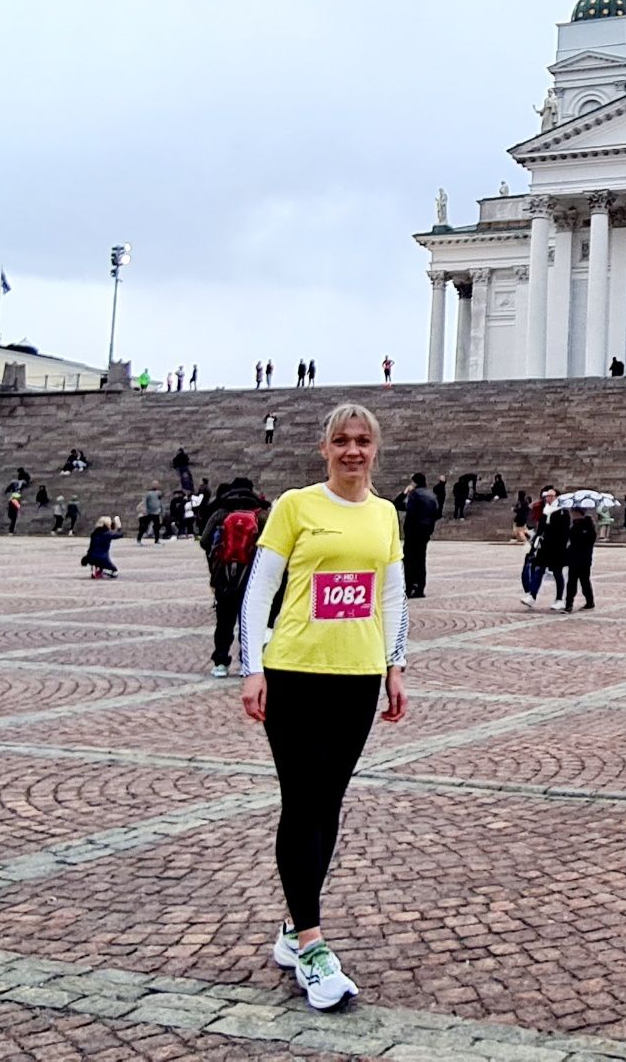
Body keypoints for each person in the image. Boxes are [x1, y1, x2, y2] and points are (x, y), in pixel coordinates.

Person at [236, 402, 407, 1012]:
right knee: (303, 801)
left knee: (327, 805)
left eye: (362, 441)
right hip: (295, 673)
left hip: (357, 677)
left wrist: (396, 665)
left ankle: (291, 925)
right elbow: (257, 593)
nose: (353, 451)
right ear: (324, 448)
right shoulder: (296, 506)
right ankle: (311, 942)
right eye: (342, 441)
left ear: (375, 449)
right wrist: (252, 667)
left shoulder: (387, 514)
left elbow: (392, 596)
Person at [200, 476, 269, 677]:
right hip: (252, 575)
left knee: (224, 621)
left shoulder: (221, 513)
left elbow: (204, 540)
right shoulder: (261, 515)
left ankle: (220, 662)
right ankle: (246, 661)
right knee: (248, 620)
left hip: (225, 575)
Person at [522, 488, 569, 608]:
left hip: (556, 548)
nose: (548, 498)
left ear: (557, 497)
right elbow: (540, 530)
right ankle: (532, 596)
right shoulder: (545, 511)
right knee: (539, 570)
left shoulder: (562, 512)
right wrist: (534, 544)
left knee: (557, 573)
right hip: (544, 547)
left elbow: (564, 532)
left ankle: (559, 599)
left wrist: (561, 547)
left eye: (551, 496)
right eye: (547, 496)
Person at [401, 473, 439, 599]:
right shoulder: (432, 495)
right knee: (421, 560)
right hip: (426, 531)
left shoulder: (415, 494)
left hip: (413, 532)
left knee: (410, 561)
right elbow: (437, 513)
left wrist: (405, 492)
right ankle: (420, 588)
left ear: (415, 483)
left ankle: (409, 587)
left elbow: (406, 509)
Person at [564, 509, 598, 612]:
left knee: (573, 582)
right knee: (584, 581)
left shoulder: (578, 526)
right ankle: (589, 601)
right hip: (585, 558)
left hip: (577, 557)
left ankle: (569, 604)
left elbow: (573, 540)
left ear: (577, 513)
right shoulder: (589, 526)